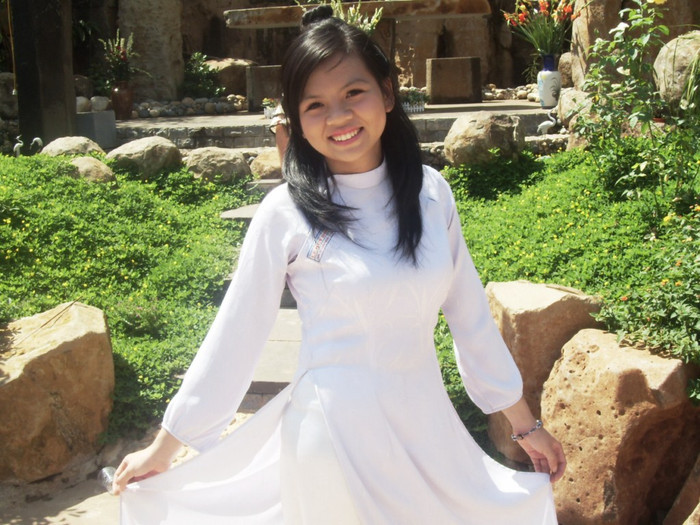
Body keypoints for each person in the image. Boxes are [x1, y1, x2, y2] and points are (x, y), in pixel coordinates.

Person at [113, 6, 566, 524]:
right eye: (315, 105)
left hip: (425, 429)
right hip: (330, 437)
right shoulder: (285, 213)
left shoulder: (430, 194)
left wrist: (525, 425)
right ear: (295, 122)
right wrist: (166, 448)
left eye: (354, 93)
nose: (338, 117)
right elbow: (237, 332)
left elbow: (470, 318)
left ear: (387, 93)